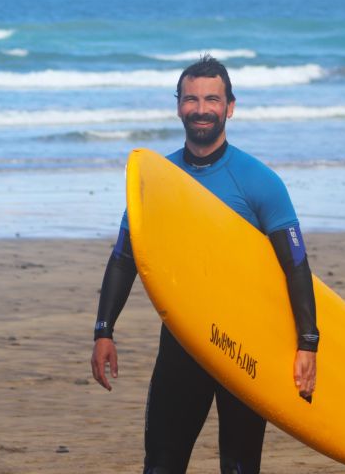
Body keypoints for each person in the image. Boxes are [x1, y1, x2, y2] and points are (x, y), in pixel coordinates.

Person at [89, 56, 319, 474]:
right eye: (191, 99)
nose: (201, 108)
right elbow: (124, 258)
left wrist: (307, 343)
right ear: (178, 105)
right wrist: (103, 330)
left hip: (247, 346)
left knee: (240, 466)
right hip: (182, 344)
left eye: (212, 99)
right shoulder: (156, 182)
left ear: (230, 106)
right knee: (161, 465)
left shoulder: (259, 181)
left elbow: (296, 265)